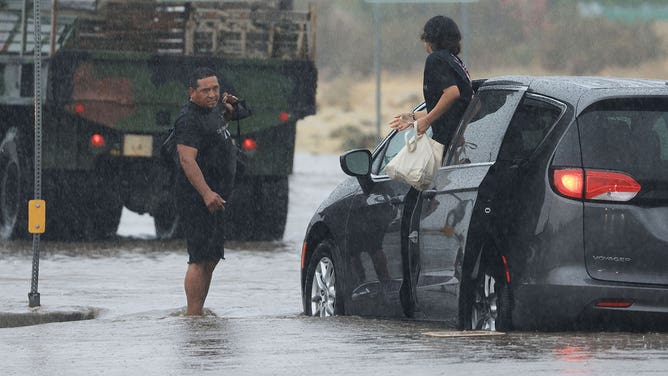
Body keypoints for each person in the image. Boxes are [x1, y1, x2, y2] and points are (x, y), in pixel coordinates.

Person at [388, 15, 473, 317]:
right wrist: (413, 117)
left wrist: (424, 120)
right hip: (457, 145)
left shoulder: (436, 60)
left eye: (424, 37)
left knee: (411, 214)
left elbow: (451, 95)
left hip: (444, 146)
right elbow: (456, 99)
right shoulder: (454, 61)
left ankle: (410, 294)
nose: (423, 44)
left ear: (431, 38)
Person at [173, 67, 239, 316]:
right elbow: (187, 161)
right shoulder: (188, 120)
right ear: (192, 92)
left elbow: (214, 139)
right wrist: (206, 193)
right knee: (199, 258)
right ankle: (193, 314)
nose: (212, 94)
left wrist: (229, 115)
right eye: (205, 90)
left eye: (215, 88)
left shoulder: (213, 112)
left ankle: (198, 311)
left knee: (211, 257)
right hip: (197, 198)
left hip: (217, 196)